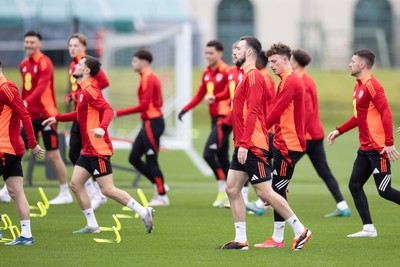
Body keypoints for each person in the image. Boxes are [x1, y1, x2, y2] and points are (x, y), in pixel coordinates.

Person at [217, 36, 311, 251]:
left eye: (238, 48)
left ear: (249, 52)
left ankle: (300, 230)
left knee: (266, 192)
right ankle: (241, 240)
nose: (234, 51)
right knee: (232, 188)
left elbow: (253, 111)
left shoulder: (253, 77)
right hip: (245, 142)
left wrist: (244, 142)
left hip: (252, 144)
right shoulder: (243, 76)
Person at [42, 56, 154, 234]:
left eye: (79, 64)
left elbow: (108, 109)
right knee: (76, 184)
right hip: (88, 150)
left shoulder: (91, 90)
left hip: (98, 149)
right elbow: (79, 115)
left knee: (107, 189)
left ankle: (143, 211)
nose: (76, 65)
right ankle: (92, 225)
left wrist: (102, 128)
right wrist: (57, 117)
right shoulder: (82, 91)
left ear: (86, 70)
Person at [327, 49, 400, 237]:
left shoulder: (372, 85)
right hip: (365, 149)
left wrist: (389, 143)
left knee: (384, 190)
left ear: (362, 65)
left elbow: (386, 113)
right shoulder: (358, 86)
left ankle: (369, 228)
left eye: (352, 61)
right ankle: (368, 228)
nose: (349, 64)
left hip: (378, 149)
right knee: (355, 184)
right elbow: (358, 117)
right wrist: (339, 130)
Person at [1, 31, 72, 205]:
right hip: (30, 116)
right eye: (26, 42)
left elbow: (41, 88)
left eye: (32, 42)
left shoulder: (45, 62)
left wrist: (25, 102)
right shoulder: (24, 64)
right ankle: (7, 190)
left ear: (39, 44)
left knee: (53, 155)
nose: (29, 45)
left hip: (46, 116)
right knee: (17, 150)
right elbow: (24, 91)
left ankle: (65, 192)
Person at [254, 43, 309, 248]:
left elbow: (276, 112)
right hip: (282, 141)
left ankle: (291, 235)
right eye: (269, 62)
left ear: (286, 60)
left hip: (289, 144)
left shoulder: (291, 81)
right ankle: (277, 238)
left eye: (275, 61)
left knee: (276, 192)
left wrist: (257, 130)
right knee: (277, 189)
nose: (271, 65)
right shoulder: (285, 80)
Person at [290, 49, 351, 217]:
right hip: (316, 135)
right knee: (324, 172)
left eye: (290, 59)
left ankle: (263, 202)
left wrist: (299, 134)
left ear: (295, 62)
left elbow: (308, 111)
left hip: (306, 137)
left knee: (281, 165)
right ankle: (343, 206)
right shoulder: (308, 78)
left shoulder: (301, 80)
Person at [178, 40, 231, 207]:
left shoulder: (227, 72)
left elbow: (230, 93)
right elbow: (200, 94)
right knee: (222, 157)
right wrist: (185, 109)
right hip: (215, 118)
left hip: (225, 119)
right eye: (206, 53)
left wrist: (216, 97)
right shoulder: (207, 72)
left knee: (208, 154)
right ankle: (234, 192)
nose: (208, 56)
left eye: (211, 53)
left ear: (220, 54)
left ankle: (224, 189)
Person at [114, 49, 169, 207]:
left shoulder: (148, 78)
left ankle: (162, 196)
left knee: (151, 160)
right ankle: (159, 185)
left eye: (135, 61)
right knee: (134, 157)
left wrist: (119, 112)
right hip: (149, 122)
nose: (132, 64)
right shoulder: (147, 77)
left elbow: (144, 105)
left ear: (144, 62)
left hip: (153, 123)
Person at [0, 59, 45, 245]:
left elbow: (25, 114)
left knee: (16, 191)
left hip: (5, 148)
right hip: (7, 148)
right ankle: (26, 235)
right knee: (15, 191)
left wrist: (33, 143)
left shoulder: (6, 87)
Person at [66, 33, 110, 209]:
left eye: (76, 45)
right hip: (80, 111)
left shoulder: (87, 64)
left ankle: (98, 191)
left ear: (84, 47)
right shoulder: (74, 66)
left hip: (87, 112)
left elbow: (104, 82)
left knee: (84, 152)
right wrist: (73, 95)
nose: (72, 49)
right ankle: (92, 191)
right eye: (70, 45)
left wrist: (88, 94)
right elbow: (77, 88)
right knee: (75, 153)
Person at [245, 51, 276, 215]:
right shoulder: (260, 76)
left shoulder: (261, 77)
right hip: (264, 127)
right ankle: (263, 199)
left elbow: (264, 103)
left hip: (265, 128)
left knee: (261, 163)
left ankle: (266, 199)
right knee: (263, 163)